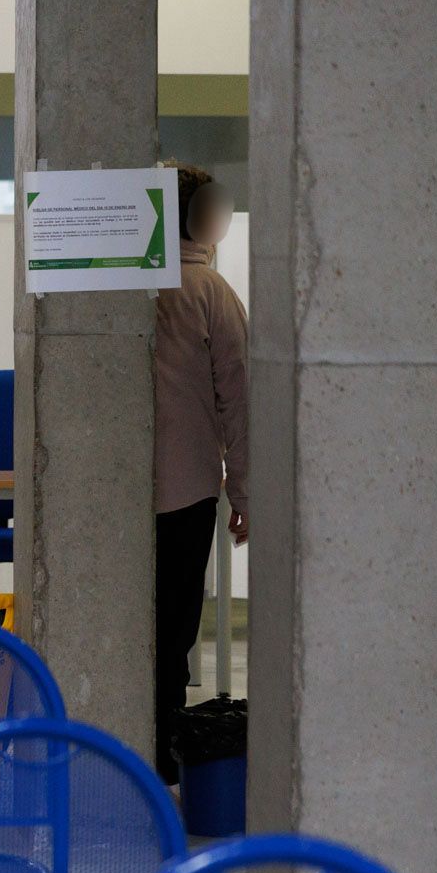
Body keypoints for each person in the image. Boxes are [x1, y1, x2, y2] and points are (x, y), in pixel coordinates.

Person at [150, 162, 248, 785]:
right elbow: (238, 399)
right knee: (176, 620)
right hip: (185, 489)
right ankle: (164, 743)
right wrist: (245, 490)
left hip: (111, 491)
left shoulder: (117, 288)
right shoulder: (212, 294)